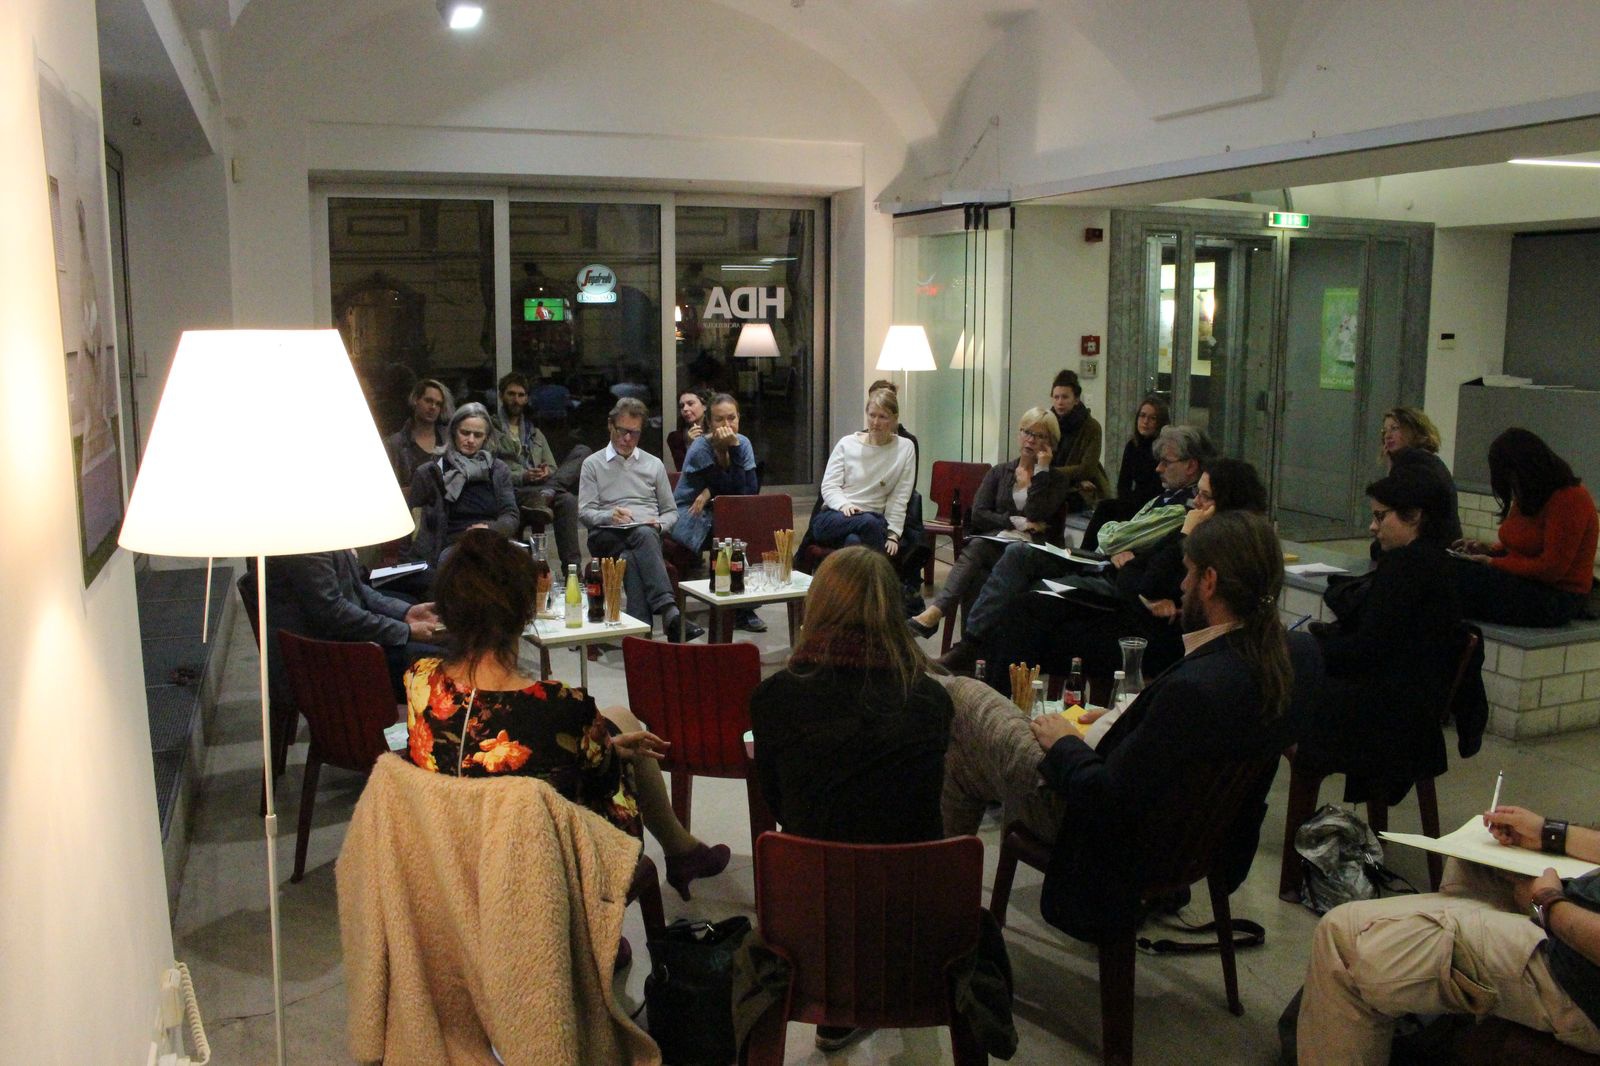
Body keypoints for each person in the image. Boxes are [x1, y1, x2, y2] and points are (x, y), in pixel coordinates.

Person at [1025, 510, 1322, 944]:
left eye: (1188, 573)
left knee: (974, 709)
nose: (1181, 586)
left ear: (1209, 581)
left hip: (1119, 850)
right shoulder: (1294, 657)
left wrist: (1064, 743)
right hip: (1205, 843)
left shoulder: (1196, 688)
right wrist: (1123, 720)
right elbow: (1181, 744)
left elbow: (1108, 798)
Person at [404, 530, 730, 904]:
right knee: (624, 744)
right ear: (526, 612)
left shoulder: (419, 680)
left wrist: (604, 745)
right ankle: (676, 854)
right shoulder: (561, 704)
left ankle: (683, 851)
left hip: (451, 854)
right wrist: (606, 750)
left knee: (618, 724)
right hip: (541, 870)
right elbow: (605, 787)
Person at [1298, 804, 1600, 1063]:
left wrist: (1549, 905)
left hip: (1578, 972)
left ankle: (1418, 971)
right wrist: (1551, 833)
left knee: (1343, 937)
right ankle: (1437, 1001)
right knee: (1477, 860)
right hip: (1576, 915)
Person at [980, 457, 1269, 694]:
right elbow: (1133, 575)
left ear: (1225, 503)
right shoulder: (1203, 533)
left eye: (1205, 496)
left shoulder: (1220, 546)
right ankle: (995, 701)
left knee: (1030, 625)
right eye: (1198, 493)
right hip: (1130, 613)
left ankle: (998, 708)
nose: (1195, 502)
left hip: (1155, 641)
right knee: (1027, 607)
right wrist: (1143, 589)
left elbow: (1150, 580)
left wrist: (1184, 535)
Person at [939, 424, 1213, 672]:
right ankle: (972, 647)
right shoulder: (1165, 497)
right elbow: (1114, 536)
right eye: (1027, 432)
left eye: (1166, 462)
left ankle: (977, 654)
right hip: (1098, 558)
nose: (1158, 469)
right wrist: (1120, 541)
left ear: (1191, 466)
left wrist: (1125, 547)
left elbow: (1112, 538)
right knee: (1004, 557)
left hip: (1111, 574)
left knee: (1023, 583)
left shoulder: (1184, 509)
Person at [751, 546, 953, 845]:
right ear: (893, 608)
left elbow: (779, 804)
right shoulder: (933, 701)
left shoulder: (773, 697)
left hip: (811, 867)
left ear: (817, 604)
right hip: (912, 872)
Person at [1296, 467, 1463, 805]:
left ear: (1414, 515)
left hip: (1390, 720)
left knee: (1282, 695)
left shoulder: (1406, 568)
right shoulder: (1438, 562)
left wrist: (1308, 649)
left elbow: (1366, 651)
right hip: (1414, 713)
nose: (1373, 527)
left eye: (1380, 516)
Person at [908, 407, 1072, 638]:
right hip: (1000, 543)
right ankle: (940, 614)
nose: (1031, 440)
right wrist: (1014, 521)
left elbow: (1037, 513)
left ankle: (949, 625)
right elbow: (978, 514)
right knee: (977, 550)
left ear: (1050, 444)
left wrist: (1041, 472)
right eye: (1027, 432)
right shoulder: (1000, 472)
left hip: (1036, 552)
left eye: (1040, 436)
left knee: (996, 556)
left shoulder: (1057, 480)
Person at [579, 397, 705, 642]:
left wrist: (659, 524)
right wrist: (610, 516)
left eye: (634, 433)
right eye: (622, 431)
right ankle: (669, 610)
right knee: (643, 536)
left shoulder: (653, 464)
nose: (627, 438)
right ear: (610, 426)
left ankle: (638, 639)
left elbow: (671, 512)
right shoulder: (592, 464)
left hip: (645, 536)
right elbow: (585, 512)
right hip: (606, 535)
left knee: (633, 554)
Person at [1453, 428, 1598, 627]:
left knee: (1459, 577)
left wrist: (1493, 562)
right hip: (1530, 585)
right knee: (1450, 568)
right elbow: (1520, 547)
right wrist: (1489, 550)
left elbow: (1551, 569)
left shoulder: (1570, 497)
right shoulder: (1531, 494)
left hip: (1558, 598)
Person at [263, 549, 442, 698]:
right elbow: (335, 614)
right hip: (325, 660)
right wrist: (406, 631)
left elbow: (355, 587)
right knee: (441, 662)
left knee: (442, 648)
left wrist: (405, 612)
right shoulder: (307, 542)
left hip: (342, 642)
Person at [671, 393, 763, 631]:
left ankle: (740, 601)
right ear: (709, 423)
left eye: (731, 418)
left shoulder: (743, 443)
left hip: (723, 508)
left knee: (741, 521)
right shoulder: (700, 447)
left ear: (739, 418)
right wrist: (713, 489)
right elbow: (730, 489)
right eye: (719, 420)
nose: (726, 425)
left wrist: (733, 450)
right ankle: (740, 606)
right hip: (690, 512)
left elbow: (748, 492)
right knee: (730, 530)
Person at [487, 371, 589, 572]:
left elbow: (553, 467)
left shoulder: (535, 432)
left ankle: (573, 572)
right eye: (511, 394)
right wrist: (523, 476)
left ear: (527, 399)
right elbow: (489, 470)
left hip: (541, 490)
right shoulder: (490, 430)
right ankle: (547, 492)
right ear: (501, 396)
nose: (516, 400)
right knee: (566, 497)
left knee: (582, 453)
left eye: (521, 395)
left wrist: (546, 473)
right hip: (513, 492)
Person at [404, 402, 519, 572]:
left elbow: (511, 515)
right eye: (465, 433)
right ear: (453, 432)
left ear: (486, 438)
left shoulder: (498, 470)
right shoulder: (430, 472)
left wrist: (490, 529)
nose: (471, 440)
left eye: (478, 435)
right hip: (450, 546)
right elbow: (411, 523)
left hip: (491, 540)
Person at [810, 386, 917, 556]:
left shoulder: (905, 448)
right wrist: (844, 505)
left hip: (871, 521)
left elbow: (899, 496)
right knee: (870, 522)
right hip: (835, 516)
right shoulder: (847, 444)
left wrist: (893, 533)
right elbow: (829, 486)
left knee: (854, 541)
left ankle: (864, 574)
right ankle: (883, 572)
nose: (875, 422)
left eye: (882, 417)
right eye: (872, 415)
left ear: (894, 419)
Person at [1082, 395, 1170, 550]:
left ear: (1160, 423)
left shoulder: (1163, 450)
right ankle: (1085, 552)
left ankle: (1088, 552)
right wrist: (1124, 503)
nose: (1145, 421)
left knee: (1107, 509)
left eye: (1152, 418)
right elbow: (1124, 482)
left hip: (1153, 504)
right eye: (1142, 416)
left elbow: (1158, 487)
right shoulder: (1132, 445)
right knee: (1105, 508)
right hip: (1133, 500)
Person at [1379, 405, 1461, 544]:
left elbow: (1397, 508)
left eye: (1395, 428)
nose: (1387, 436)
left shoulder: (1414, 462)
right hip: (1445, 541)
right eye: (1385, 431)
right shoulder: (1428, 459)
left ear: (1413, 430)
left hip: (1432, 543)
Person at [1048, 369, 1110, 511]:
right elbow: (1037, 460)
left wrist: (1049, 472)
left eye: (1065, 397)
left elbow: (1087, 469)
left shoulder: (1091, 427)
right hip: (1054, 486)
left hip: (1081, 493)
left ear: (1076, 399)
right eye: (1056, 397)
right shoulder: (1047, 423)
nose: (1060, 402)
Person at [384, 377, 453, 487]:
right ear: (415, 400)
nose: (433, 407)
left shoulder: (449, 439)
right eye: (428, 401)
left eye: (438, 404)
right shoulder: (395, 444)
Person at [667, 388, 710, 470]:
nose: (685, 409)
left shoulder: (716, 431)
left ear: (704, 406)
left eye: (690, 404)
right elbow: (682, 469)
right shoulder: (675, 438)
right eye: (681, 406)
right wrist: (690, 445)